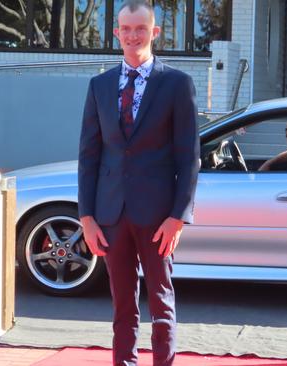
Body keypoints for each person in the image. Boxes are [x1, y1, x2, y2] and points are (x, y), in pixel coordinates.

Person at [77, 1, 199, 365]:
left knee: (161, 302)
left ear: (154, 32)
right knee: (122, 307)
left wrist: (178, 216)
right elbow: (89, 156)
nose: (133, 36)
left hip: (159, 217)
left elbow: (188, 157)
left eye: (140, 29)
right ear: (116, 32)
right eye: (126, 29)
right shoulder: (99, 86)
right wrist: (87, 218)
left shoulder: (177, 84)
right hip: (111, 215)